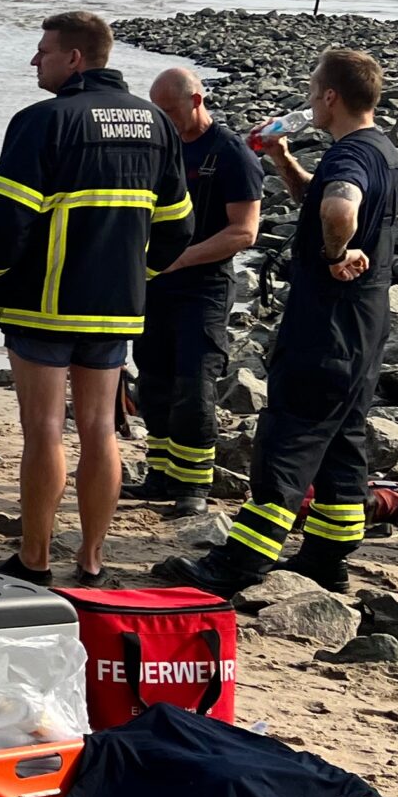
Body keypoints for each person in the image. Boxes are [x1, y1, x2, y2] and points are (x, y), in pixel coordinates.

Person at [160, 50, 398, 592]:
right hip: (364, 327)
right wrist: (281, 158)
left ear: (331, 97)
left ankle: (238, 564)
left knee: (289, 439)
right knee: (342, 436)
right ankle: (327, 553)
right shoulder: (380, 147)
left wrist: (337, 254)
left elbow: (338, 206)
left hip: (326, 326)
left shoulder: (347, 160)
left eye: (314, 92)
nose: (310, 101)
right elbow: (319, 197)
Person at [0, 12, 190, 585]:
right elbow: (177, 228)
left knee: (43, 428)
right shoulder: (157, 125)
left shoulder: (43, 121)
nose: (33, 61)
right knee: (99, 430)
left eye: (42, 51)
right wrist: (136, 273)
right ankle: (92, 560)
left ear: (74, 58)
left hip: (43, 303)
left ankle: (36, 559)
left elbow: (5, 223)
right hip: (115, 306)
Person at [130, 68, 263, 517]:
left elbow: (244, 233)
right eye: (157, 113)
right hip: (153, 284)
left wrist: (180, 258)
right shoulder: (158, 147)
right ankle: (160, 474)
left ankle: (193, 488)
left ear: (197, 100)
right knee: (153, 381)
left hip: (202, 286)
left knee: (194, 384)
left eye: (169, 112)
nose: (163, 121)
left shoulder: (230, 154)